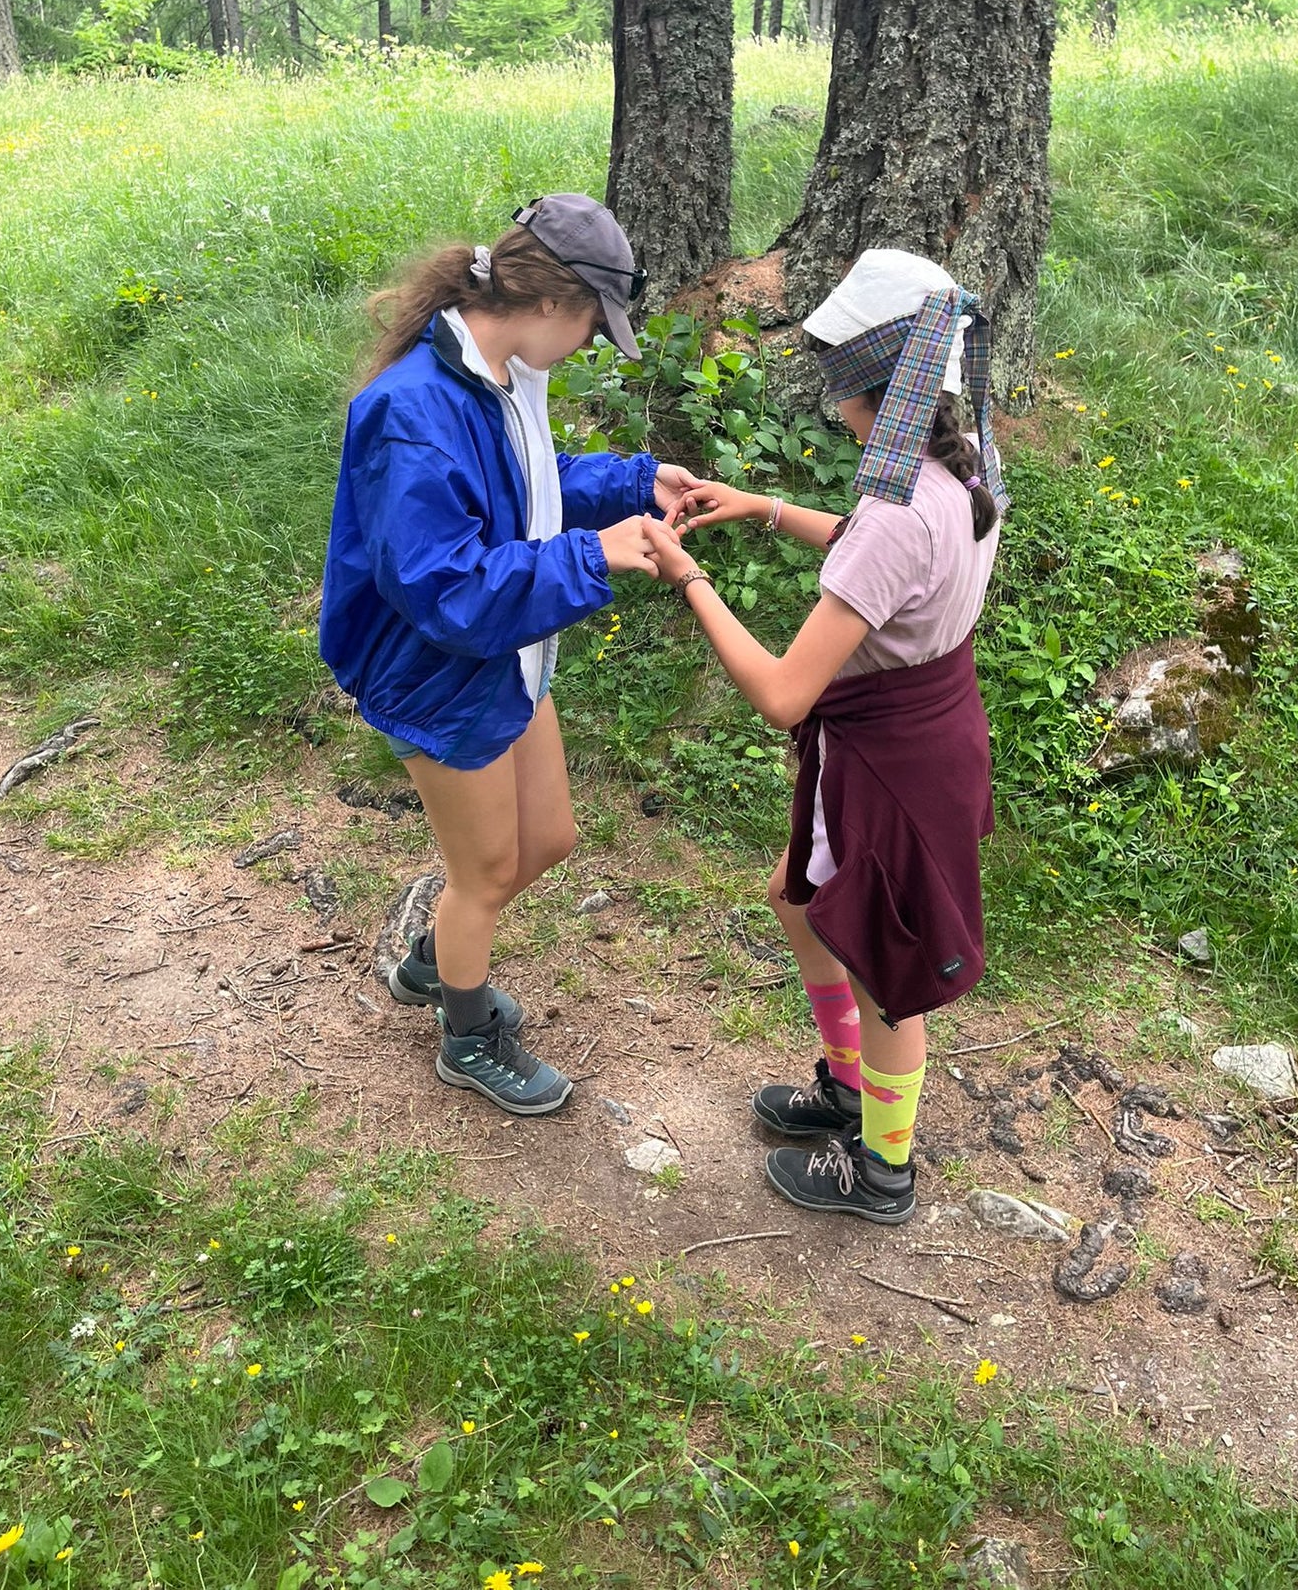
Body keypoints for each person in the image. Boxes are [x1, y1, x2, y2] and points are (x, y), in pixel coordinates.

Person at [642, 248, 1006, 1223]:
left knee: (888, 976)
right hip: (927, 737)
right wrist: (761, 506)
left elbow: (781, 693)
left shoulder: (896, 512)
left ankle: (880, 1168)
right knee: (797, 896)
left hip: (888, 765)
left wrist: (687, 577)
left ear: (860, 384)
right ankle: (848, 1090)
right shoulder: (959, 464)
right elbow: (878, 546)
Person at [319, 194, 697, 1116]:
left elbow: (526, 483)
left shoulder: (499, 374)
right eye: (593, 327)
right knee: (485, 872)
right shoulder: (413, 409)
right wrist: (591, 556)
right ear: (550, 302)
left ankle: (439, 956)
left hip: (506, 652)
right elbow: (442, 588)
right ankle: (466, 1035)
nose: (589, 345)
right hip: (437, 672)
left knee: (548, 839)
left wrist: (635, 481)